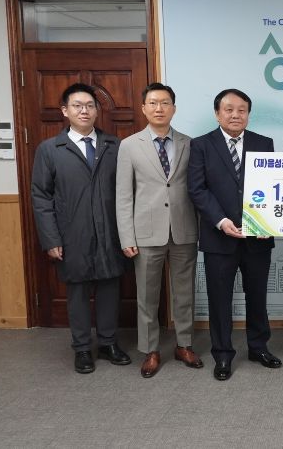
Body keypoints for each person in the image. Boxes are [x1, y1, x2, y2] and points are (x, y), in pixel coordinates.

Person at [31, 83, 131, 374]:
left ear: (97, 110)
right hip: (71, 234)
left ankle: (109, 343)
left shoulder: (114, 146)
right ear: (65, 111)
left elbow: (128, 191)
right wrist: (51, 238)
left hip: (110, 231)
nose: (84, 110)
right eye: (77, 105)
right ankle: (83, 348)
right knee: (77, 293)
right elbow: (41, 197)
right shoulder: (50, 149)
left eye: (89, 105)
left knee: (110, 288)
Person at [188, 88, 282, 381]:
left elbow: (273, 186)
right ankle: (222, 354)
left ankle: (258, 347)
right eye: (229, 109)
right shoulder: (201, 145)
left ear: (249, 114)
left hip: (257, 238)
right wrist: (220, 220)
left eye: (242, 110)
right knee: (219, 300)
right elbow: (197, 189)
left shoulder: (264, 143)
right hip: (219, 237)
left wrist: (266, 223)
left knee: (258, 296)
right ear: (217, 113)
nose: (235, 115)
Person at [116, 82, 202, 378]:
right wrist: (126, 236)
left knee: (184, 293)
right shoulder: (129, 145)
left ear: (174, 108)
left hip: (183, 229)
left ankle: (184, 345)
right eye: (153, 103)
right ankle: (150, 350)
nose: (159, 108)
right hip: (145, 232)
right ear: (143, 108)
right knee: (147, 296)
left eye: (165, 103)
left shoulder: (190, 143)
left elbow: (196, 188)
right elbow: (123, 195)